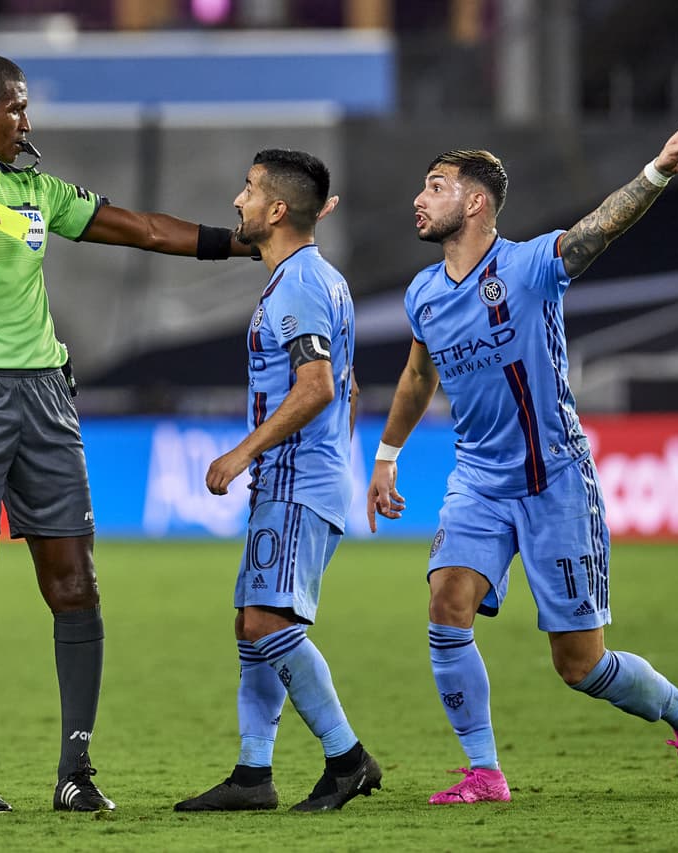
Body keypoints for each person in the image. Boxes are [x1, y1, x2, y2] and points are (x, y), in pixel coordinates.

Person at [0, 53, 334, 813]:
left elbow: (141, 227)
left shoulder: (32, 188)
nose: (27, 123)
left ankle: (75, 771)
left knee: (76, 584)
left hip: (46, 400)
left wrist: (238, 244)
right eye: (16, 109)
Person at [366, 109, 678, 804]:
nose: (419, 197)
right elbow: (418, 376)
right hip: (478, 479)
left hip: (554, 478)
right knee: (446, 598)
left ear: (474, 202)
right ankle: (484, 771)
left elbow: (597, 229)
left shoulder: (527, 267)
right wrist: (386, 455)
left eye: (434, 186)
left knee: (580, 663)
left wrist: (656, 171)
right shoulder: (423, 294)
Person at [172, 150, 380, 814]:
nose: (238, 200)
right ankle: (253, 774)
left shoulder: (296, 285)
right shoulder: (317, 278)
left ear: (278, 210)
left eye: (250, 189)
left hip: (295, 479)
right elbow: (342, 383)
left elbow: (315, 386)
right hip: (302, 478)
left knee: (266, 619)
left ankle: (347, 758)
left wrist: (241, 453)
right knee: (250, 621)